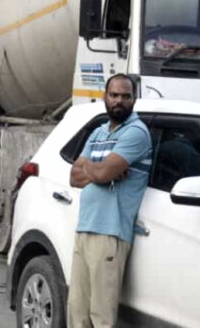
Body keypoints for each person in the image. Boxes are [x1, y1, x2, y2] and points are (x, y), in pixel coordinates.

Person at [67, 74, 152, 328]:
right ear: (105, 97)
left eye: (126, 96)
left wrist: (96, 169)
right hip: (85, 228)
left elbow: (99, 172)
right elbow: (73, 176)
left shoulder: (137, 132)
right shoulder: (98, 132)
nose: (119, 101)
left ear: (134, 99)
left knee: (100, 316)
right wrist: (103, 170)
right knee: (76, 313)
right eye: (114, 95)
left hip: (110, 233)